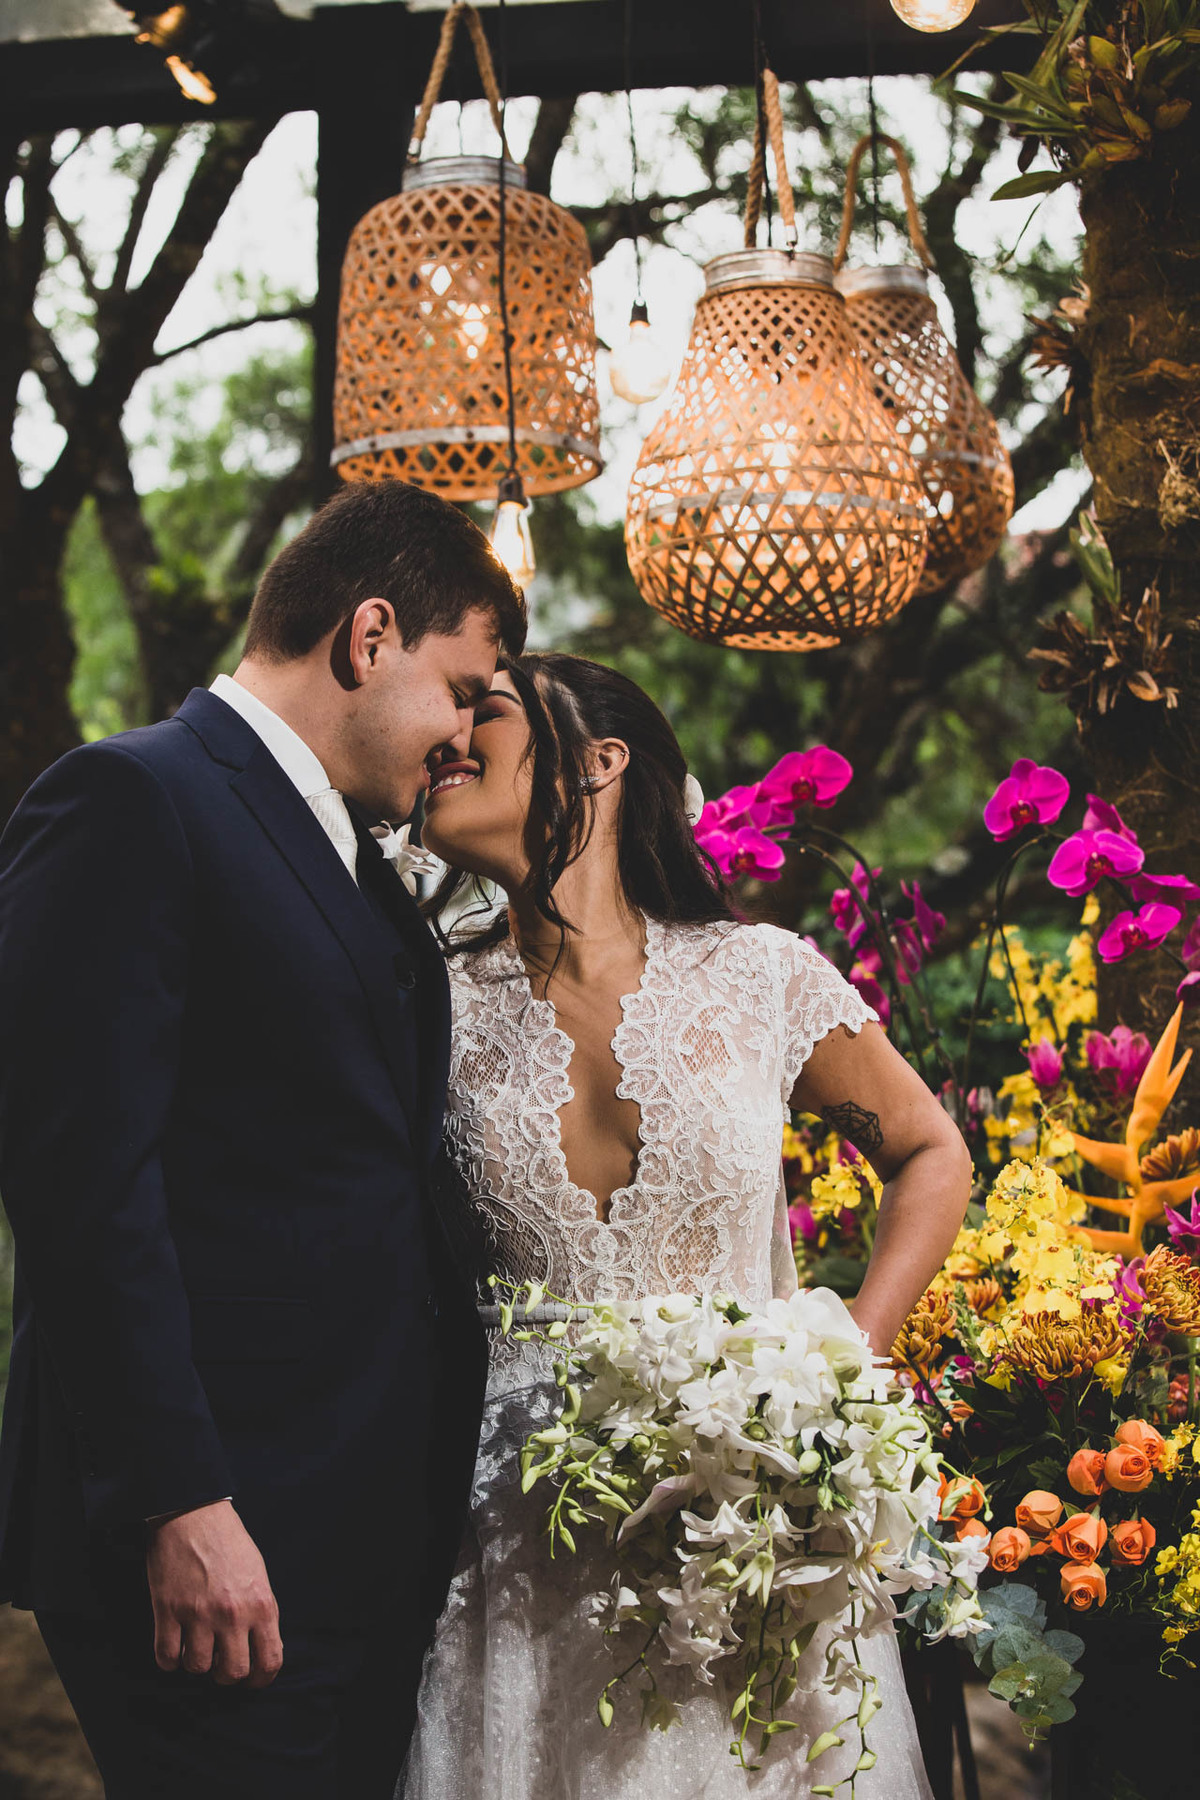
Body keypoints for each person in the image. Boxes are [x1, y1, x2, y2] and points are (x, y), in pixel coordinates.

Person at [0, 478, 526, 1798]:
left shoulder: (347, 850)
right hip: (211, 1536)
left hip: (350, 1535)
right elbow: (81, 1188)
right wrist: (178, 1503)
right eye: (463, 691)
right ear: (368, 636)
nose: (466, 739)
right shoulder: (132, 800)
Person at [402, 651, 970, 1800]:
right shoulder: (423, 1003)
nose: (448, 740)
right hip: (520, 1536)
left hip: (756, 1530)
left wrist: (840, 1374)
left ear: (600, 761)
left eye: (487, 711)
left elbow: (930, 1152)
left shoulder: (760, 977)